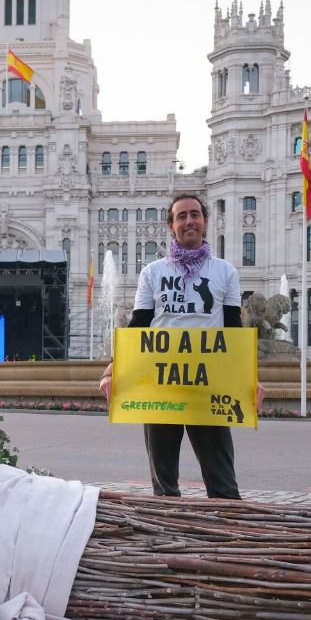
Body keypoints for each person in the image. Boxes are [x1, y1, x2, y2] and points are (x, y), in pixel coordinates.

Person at [98, 193, 253, 500]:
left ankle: (225, 532)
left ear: (205, 221)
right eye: (181, 216)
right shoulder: (153, 272)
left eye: (195, 214)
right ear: (171, 226)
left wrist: (249, 381)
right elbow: (139, 324)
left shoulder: (225, 271)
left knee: (222, 478)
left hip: (209, 383)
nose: (189, 221)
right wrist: (113, 367)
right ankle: (169, 534)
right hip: (160, 382)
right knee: (163, 479)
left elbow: (234, 331)